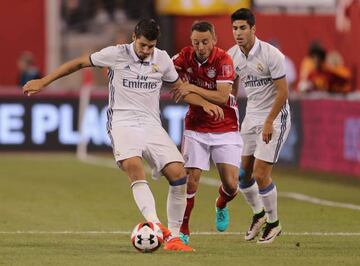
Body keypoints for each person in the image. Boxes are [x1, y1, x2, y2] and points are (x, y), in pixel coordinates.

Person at [23, 19, 224, 252]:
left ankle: (174, 239)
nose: (146, 51)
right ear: (133, 39)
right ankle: (158, 226)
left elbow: (179, 89)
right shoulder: (115, 54)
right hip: (122, 122)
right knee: (134, 167)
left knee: (180, 175)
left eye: (150, 46)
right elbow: (78, 63)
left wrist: (204, 103)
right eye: (142, 46)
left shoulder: (161, 59)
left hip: (151, 124)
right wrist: (43, 81)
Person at [171, 21, 243, 245]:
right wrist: (201, 102)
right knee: (190, 182)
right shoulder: (183, 57)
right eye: (195, 42)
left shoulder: (224, 60)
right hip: (196, 126)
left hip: (226, 125)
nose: (200, 47)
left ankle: (221, 203)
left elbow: (222, 97)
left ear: (214, 40)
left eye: (204, 42)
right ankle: (183, 230)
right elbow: (170, 78)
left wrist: (191, 87)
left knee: (232, 185)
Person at [228, 8, 291, 244]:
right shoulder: (232, 55)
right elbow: (231, 88)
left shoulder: (271, 54)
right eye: (235, 28)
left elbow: (283, 91)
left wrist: (268, 122)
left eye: (243, 27)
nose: (238, 32)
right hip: (251, 116)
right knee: (242, 176)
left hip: (274, 117)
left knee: (261, 173)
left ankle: (274, 223)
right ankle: (259, 214)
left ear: (253, 29)